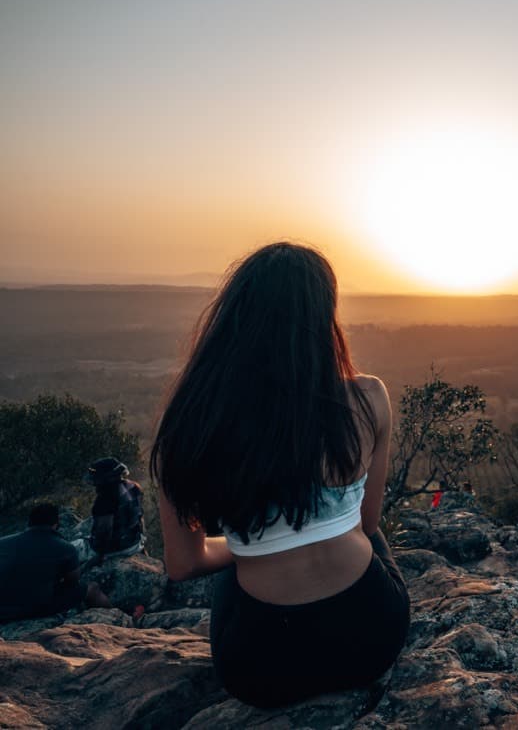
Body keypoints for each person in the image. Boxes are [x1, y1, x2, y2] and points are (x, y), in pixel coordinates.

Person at [151, 242, 410, 709]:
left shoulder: (190, 422)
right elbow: (367, 526)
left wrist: (257, 545)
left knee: (238, 565)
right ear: (323, 319)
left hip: (262, 667)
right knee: (364, 535)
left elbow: (182, 565)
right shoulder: (370, 399)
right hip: (373, 636)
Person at [0, 503, 113, 622]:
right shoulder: (65, 548)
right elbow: (73, 581)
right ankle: (118, 621)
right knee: (91, 589)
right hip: (33, 608)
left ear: (29, 522)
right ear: (56, 524)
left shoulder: (3, 543)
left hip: (3, 609)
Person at [86, 457, 145, 559]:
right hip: (135, 543)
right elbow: (139, 516)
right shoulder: (135, 487)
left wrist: (99, 557)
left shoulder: (104, 499)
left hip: (117, 550)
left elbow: (104, 531)